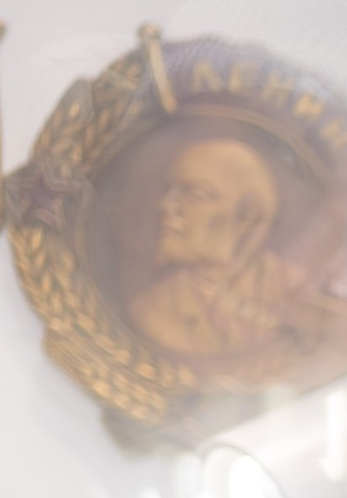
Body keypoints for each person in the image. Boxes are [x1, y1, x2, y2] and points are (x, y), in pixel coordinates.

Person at [128, 137, 302, 360]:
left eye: (194, 194)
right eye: (169, 190)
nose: (165, 206)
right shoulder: (150, 313)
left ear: (247, 217)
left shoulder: (303, 292)